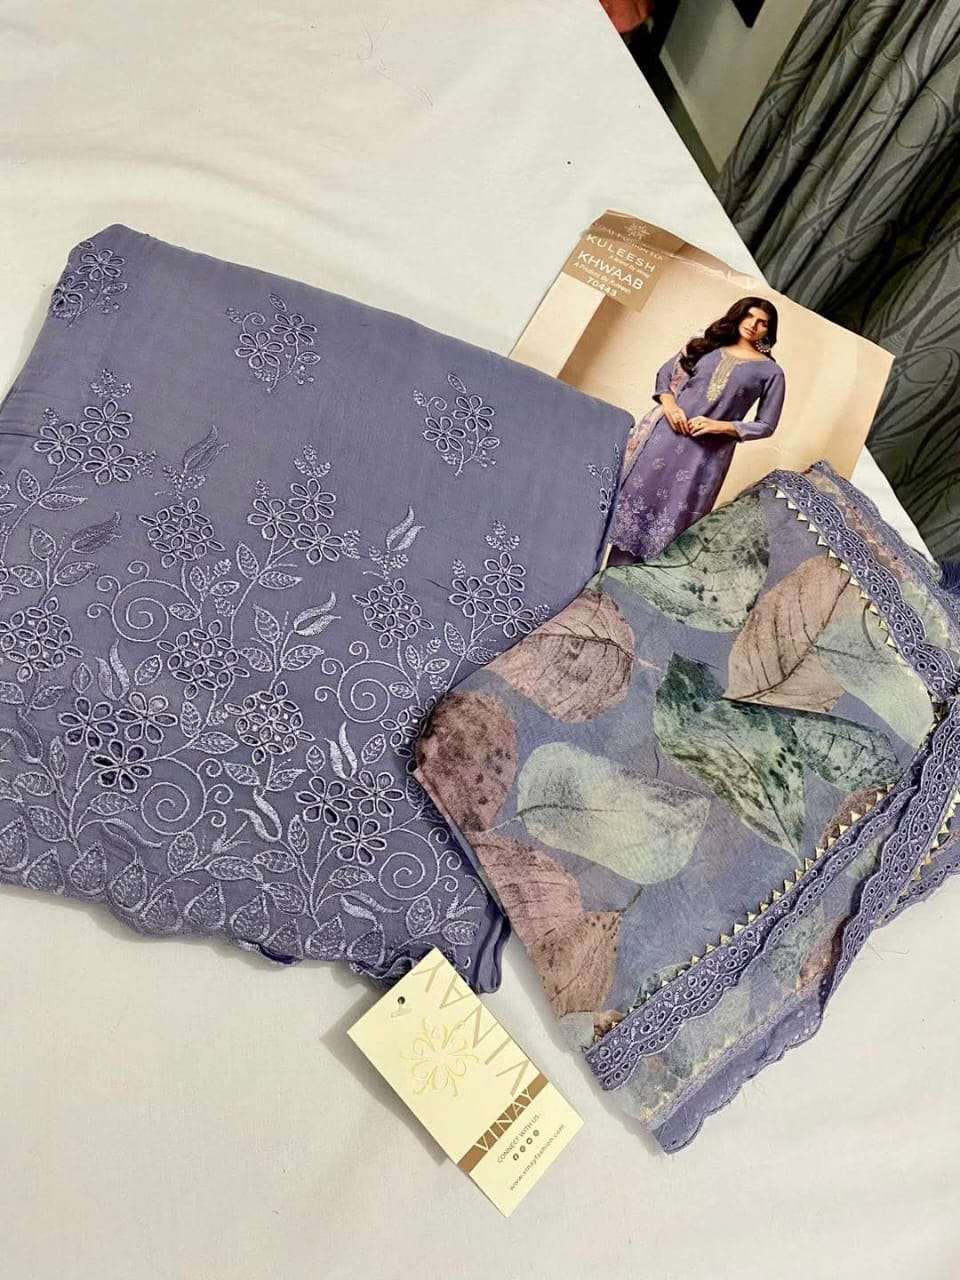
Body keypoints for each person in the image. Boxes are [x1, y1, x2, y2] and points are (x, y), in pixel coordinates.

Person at [609, 296, 785, 561]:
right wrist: (670, 405)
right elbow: (665, 375)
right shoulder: (707, 344)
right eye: (749, 316)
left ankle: (632, 584)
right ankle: (602, 578)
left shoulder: (771, 372)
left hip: (704, 458)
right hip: (664, 439)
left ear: (769, 331)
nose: (753, 324)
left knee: (671, 520)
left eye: (762, 323)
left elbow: (766, 425)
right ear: (737, 315)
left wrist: (722, 426)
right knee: (632, 508)